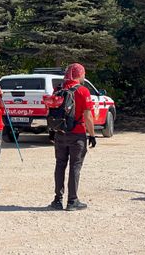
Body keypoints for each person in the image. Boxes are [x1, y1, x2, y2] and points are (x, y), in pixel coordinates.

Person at [50, 63, 96, 211]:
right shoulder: (83, 91)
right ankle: (72, 200)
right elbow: (88, 116)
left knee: (60, 165)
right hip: (77, 134)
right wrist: (92, 135)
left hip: (60, 133)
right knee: (75, 166)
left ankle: (57, 199)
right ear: (79, 74)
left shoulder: (58, 90)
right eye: (83, 74)